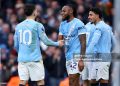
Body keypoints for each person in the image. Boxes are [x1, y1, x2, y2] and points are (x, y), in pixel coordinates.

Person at [14, 4, 64, 86]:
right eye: (36, 11)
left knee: (23, 81)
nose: (37, 12)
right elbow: (46, 41)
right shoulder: (38, 25)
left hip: (22, 59)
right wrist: (57, 43)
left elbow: (16, 45)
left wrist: (22, 53)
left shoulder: (18, 26)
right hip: (35, 58)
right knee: (40, 82)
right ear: (34, 13)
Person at [58, 4, 86, 86]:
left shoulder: (79, 23)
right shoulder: (62, 24)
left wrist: (81, 60)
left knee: (72, 79)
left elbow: (83, 42)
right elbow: (60, 40)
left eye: (64, 11)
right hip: (68, 56)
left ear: (71, 11)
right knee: (73, 82)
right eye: (61, 11)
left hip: (76, 56)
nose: (61, 13)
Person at [86, 7, 114, 86]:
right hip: (101, 57)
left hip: (101, 58)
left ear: (97, 16)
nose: (89, 17)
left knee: (102, 82)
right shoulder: (108, 27)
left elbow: (93, 42)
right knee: (93, 81)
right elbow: (114, 42)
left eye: (91, 15)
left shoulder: (99, 27)